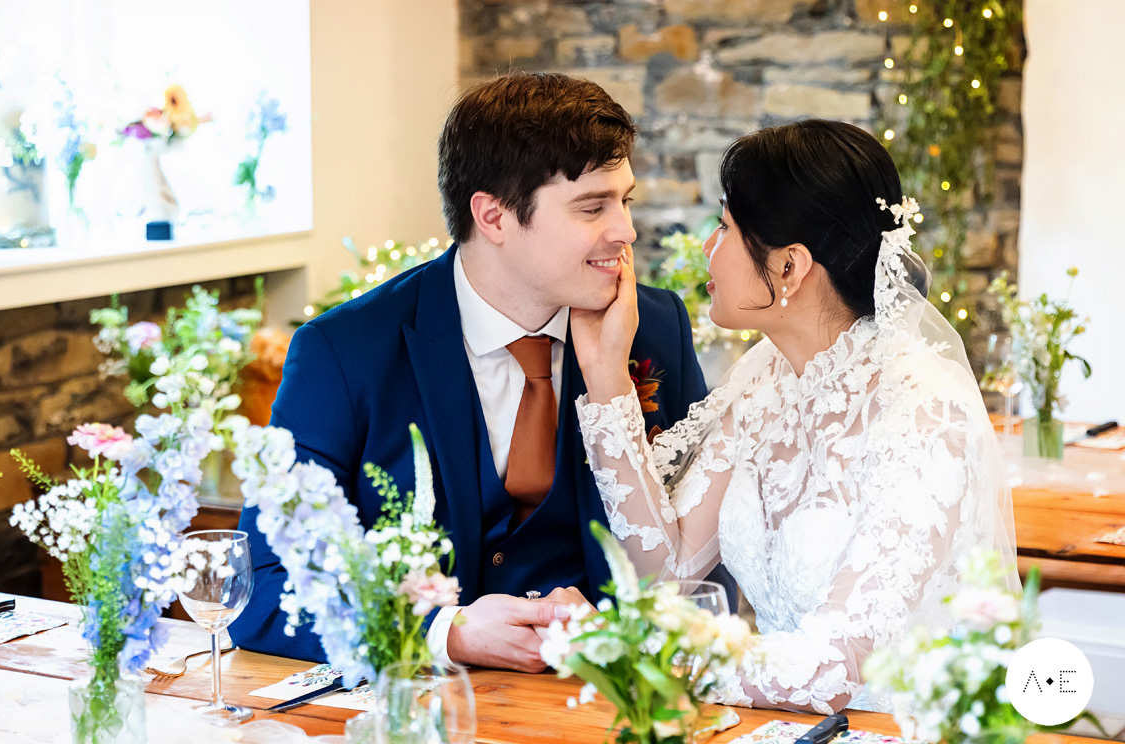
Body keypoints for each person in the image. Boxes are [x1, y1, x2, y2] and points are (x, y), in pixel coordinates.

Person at [230, 73, 732, 672]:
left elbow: (704, 572)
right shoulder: (344, 353)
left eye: (625, 200)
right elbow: (260, 586)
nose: (625, 230)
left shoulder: (654, 328)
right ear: (493, 217)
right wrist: (444, 634)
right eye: (592, 207)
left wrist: (624, 635)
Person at [569, 119, 1017, 712]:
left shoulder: (925, 411)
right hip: (778, 724)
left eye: (725, 228)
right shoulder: (766, 378)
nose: (707, 247)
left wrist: (641, 654)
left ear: (790, 266)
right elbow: (668, 576)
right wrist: (606, 381)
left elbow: (835, 668)